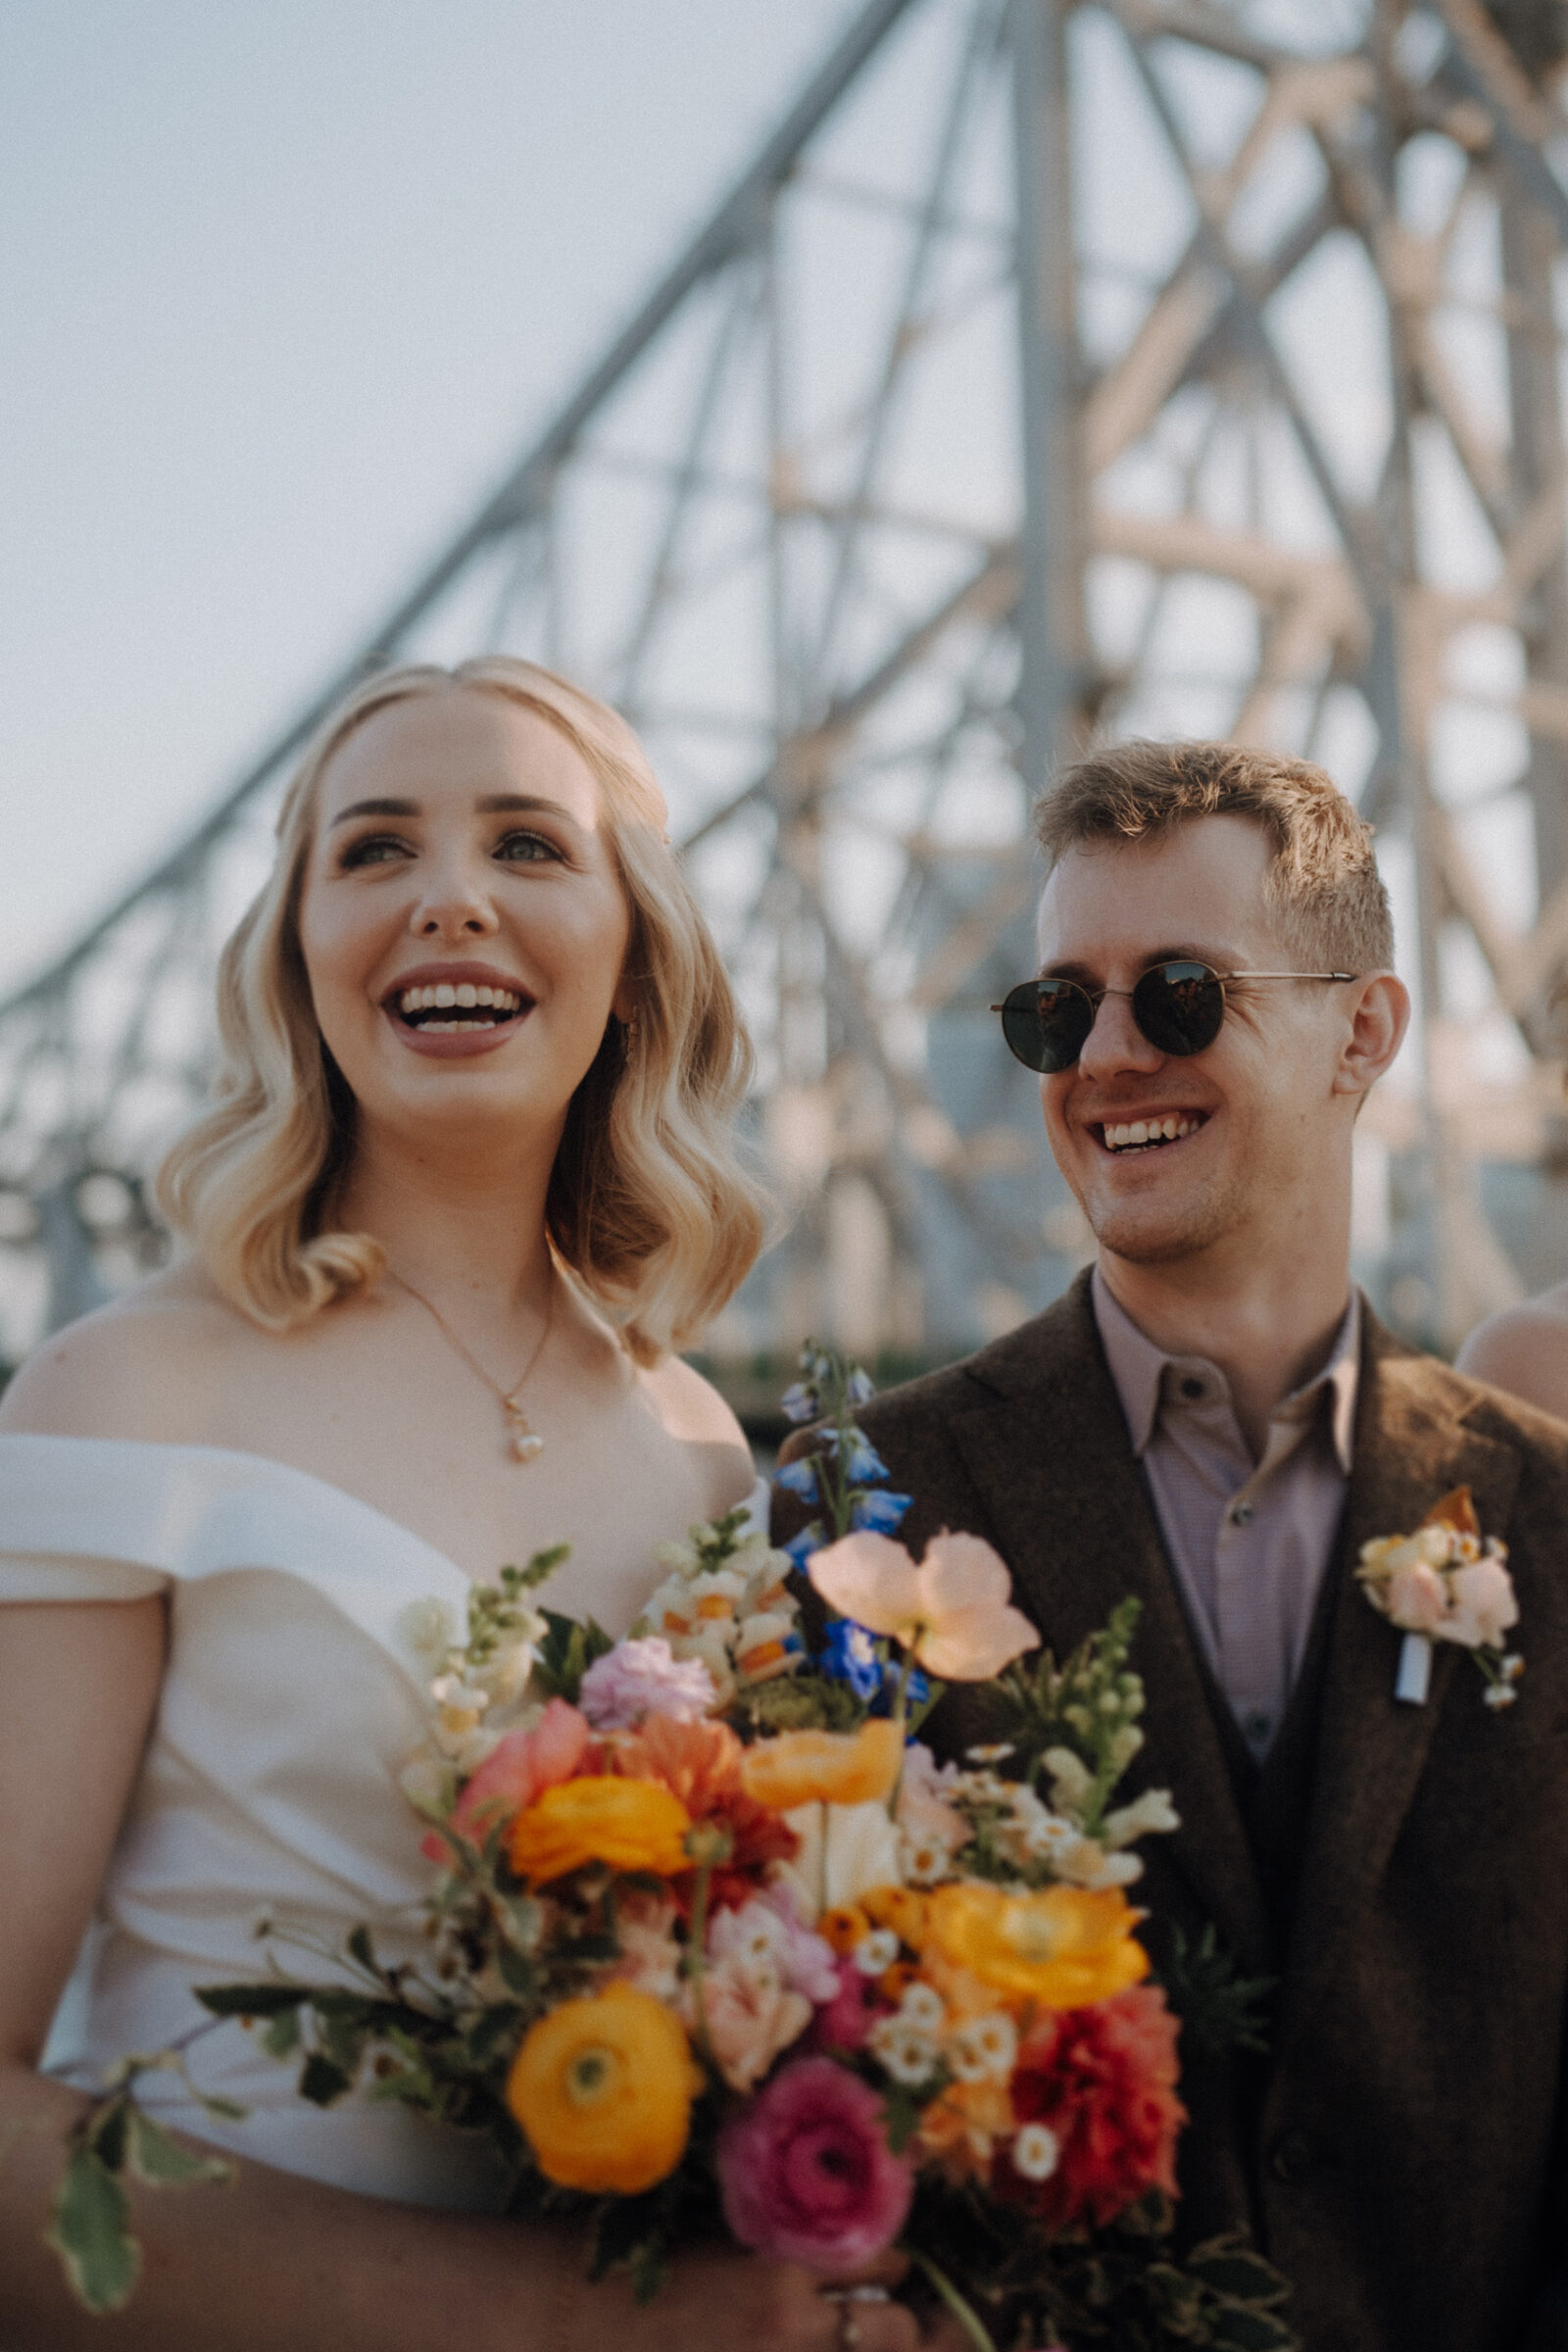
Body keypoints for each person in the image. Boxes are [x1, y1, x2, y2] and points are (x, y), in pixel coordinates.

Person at [0, 659, 930, 2352]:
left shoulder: (710, 1450)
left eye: (526, 845)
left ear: (635, 949)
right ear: (296, 955)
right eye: (371, 852)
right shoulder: (128, 1394)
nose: (447, 899)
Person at [778, 741, 1568, 2352]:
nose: (1110, 1056)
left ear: (1365, 1030)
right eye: (1059, 1010)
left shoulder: (1551, 1510)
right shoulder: (854, 1495)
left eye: (1184, 996)